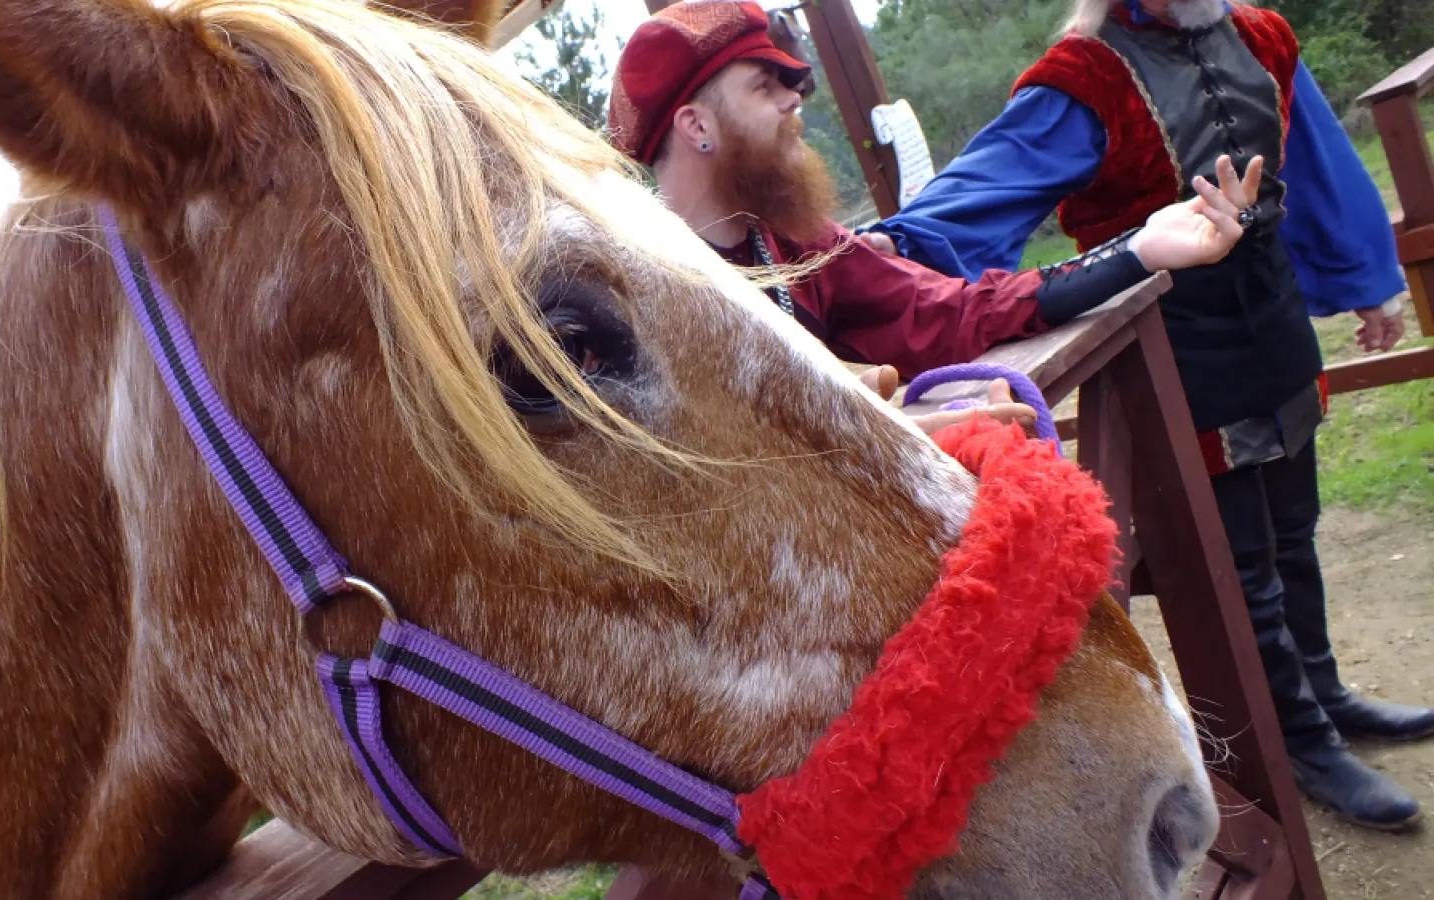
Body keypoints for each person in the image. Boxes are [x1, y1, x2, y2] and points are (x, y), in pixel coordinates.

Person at [862, 0, 1432, 831]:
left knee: (1296, 532)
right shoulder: (1086, 76)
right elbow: (985, 188)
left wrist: (1361, 278)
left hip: (1274, 324)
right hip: (1179, 355)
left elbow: (1315, 158)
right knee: (1244, 569)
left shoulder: (1262, 34)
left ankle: (1329, 694)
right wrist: (884, 257)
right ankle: (1301, 737)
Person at [605, 0, 1260, 433]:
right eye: (763, 85)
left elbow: (950, 311)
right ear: (697, 126)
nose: (792, 100)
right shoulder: (623, 288)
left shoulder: (793, 244)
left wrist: (1139, 252)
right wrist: (921, 430)